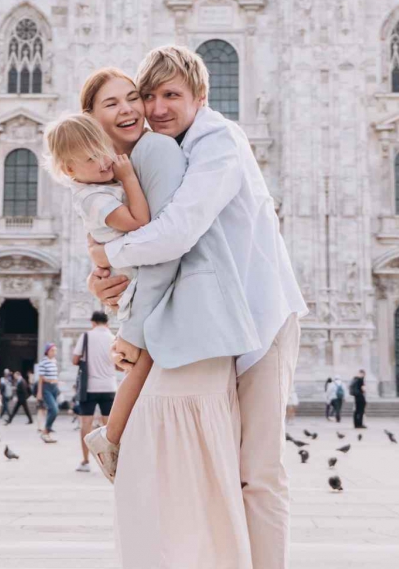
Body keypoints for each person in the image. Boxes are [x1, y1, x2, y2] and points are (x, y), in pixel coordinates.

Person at [85, 51, 299, 568]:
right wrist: (103, 275)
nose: (157, 108)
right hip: (210, 328)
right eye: (149, 96)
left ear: (201, 98)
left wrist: (107, 258)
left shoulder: (218, 141)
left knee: (259, 473)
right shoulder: (161, 149)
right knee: (218, 467)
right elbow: (148, 235)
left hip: (262, 318)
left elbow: (178, 232)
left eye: (171, 95)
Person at [45, 112, 160, 469]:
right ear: (69, 169)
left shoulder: (97, 187)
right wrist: (129, 177)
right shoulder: (95, 196)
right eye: (93, 157)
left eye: (104, 151)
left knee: (143, 364)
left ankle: (123, 438)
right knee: (142, 364)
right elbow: (140, 221)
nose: (105, 161)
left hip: (133, 278)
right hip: (134, 285)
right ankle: (111, 439)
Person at [72, 311, 118, 473]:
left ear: (92, 322)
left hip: (89, 388)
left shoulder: (86, 336)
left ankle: (85, 461)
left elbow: (75, 360)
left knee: (86, 424)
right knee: (109, 427)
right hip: (109, 386)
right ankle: (111, 462)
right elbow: (119, 364)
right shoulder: (113, 338)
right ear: (107, 323)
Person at [36, 344, 61, 442]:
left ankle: (47, 433)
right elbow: (41, 378)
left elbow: (55, 375)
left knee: (52, 410)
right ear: (47, 351)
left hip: (54, 387)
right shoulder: (43, 362)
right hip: (46, 387)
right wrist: (39, 392)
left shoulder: (54, 361)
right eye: (52, 350)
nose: (54, 352)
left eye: (55, 350)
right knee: (54, 410)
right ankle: (45, 431)